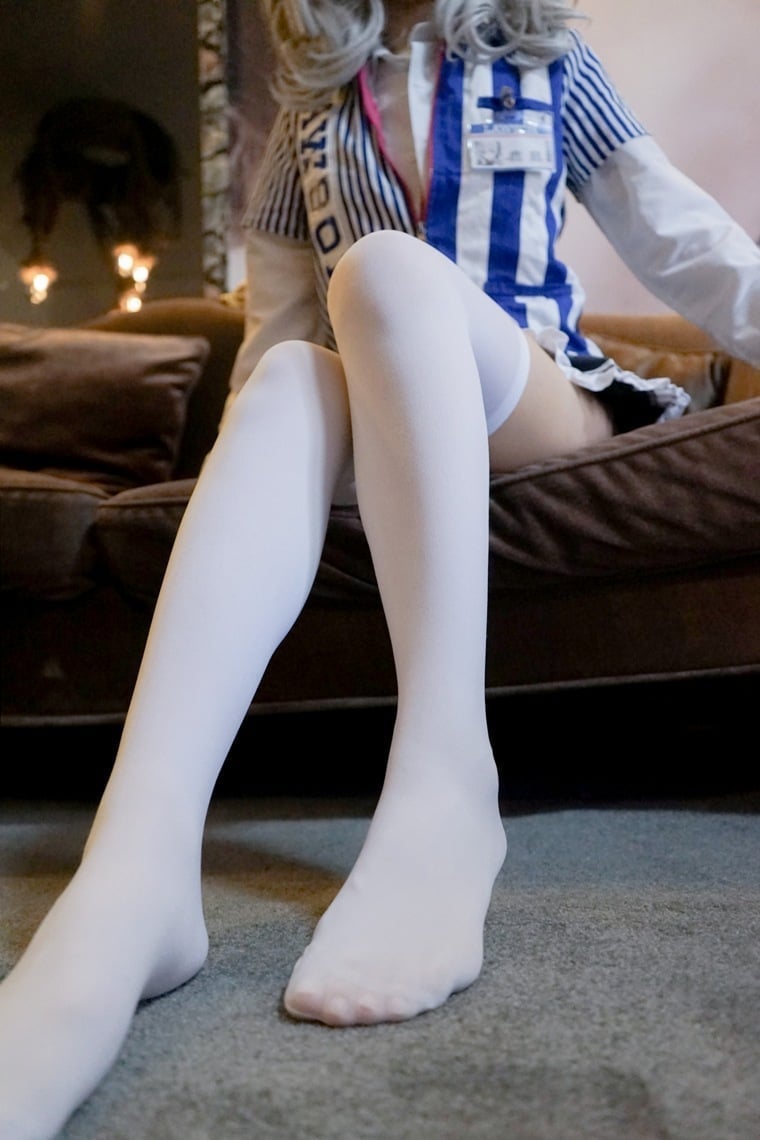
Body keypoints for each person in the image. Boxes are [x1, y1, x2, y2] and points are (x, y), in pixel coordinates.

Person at [1, 1, 759, 1136]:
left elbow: (684, 241)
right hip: (382, 405)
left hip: (535, 390)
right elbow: (274, 322)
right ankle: (131, 877)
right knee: (290, 373)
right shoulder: (310, 103)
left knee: (385, 272)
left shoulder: (550, 59)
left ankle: (447, 788)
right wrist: (254, 469)